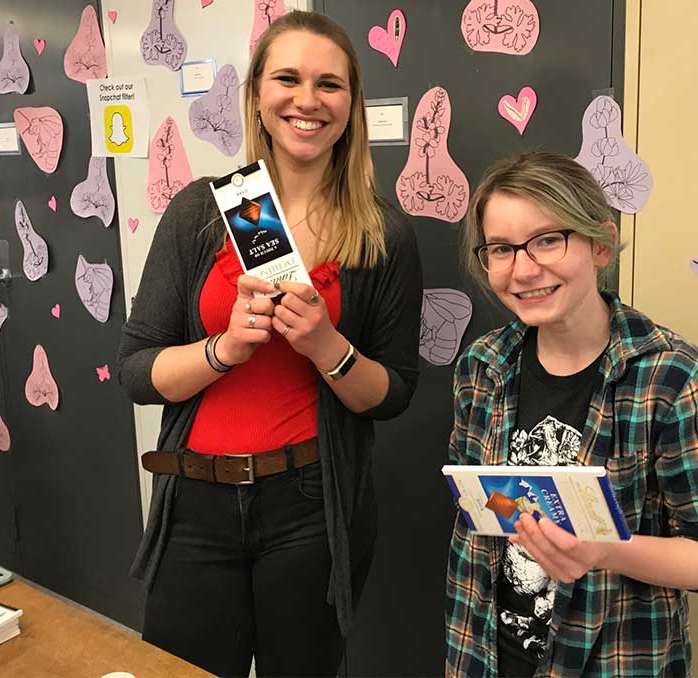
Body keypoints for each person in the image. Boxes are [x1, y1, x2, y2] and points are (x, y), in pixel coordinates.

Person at [117, 11, 422, 677]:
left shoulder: (381, 234)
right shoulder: (206, 211)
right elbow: (137, 371)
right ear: (257, 92)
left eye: (329, 85)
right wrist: (222, 349)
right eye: (287, 78)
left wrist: (326, 347)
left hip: (310, 507)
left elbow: (394, 393)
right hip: (194, 501)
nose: (307, 100)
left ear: (352, 103)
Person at [445, 152, 698, 677]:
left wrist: (603, 551)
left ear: (600, 244)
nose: (524, 270)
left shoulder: (675, 380)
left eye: (548, 240)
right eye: (502, 249)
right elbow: (477, 514)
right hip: (484, 656)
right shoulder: (483, 366)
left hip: (613, 661)